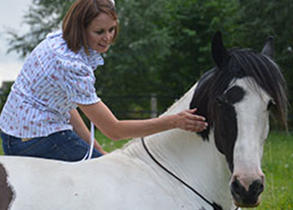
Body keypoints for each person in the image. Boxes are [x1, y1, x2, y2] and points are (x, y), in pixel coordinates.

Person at [0, 0, 208, 161]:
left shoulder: (61, 42)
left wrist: (98, 153)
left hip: (17, 133)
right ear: (81, 29)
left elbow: (68, 107)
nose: (107, 37)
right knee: (112, 183)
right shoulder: (69, 64)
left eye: (111, 29)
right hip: (33, 140)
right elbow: (114, 130)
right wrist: (174, 121)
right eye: (99, 32)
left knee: (103, 167)